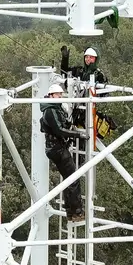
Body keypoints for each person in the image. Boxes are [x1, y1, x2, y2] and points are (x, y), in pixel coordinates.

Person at [40, 83, 89, 222]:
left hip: (56, 148)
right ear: (51, 95)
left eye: (61, 94)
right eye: (58, 94)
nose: (60, 96)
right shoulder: (50, 110)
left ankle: (70, 211)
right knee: (73, 178)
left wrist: (70, 127)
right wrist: (78, 135)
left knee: (69, 179)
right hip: (57, 149)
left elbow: (62, 125)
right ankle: (77, 211)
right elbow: (59, 130)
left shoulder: (55, 108)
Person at [60, 45, 116, 139]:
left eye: (91, 57)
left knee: (87, 137)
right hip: (76, 108)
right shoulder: (79, 70)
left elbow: (104, 94)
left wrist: (92, 90)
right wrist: (65, 59)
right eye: (86, 57)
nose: (88, 59)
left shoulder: (99, 75)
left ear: (96, 59)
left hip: (90, 109)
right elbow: (64, 72)